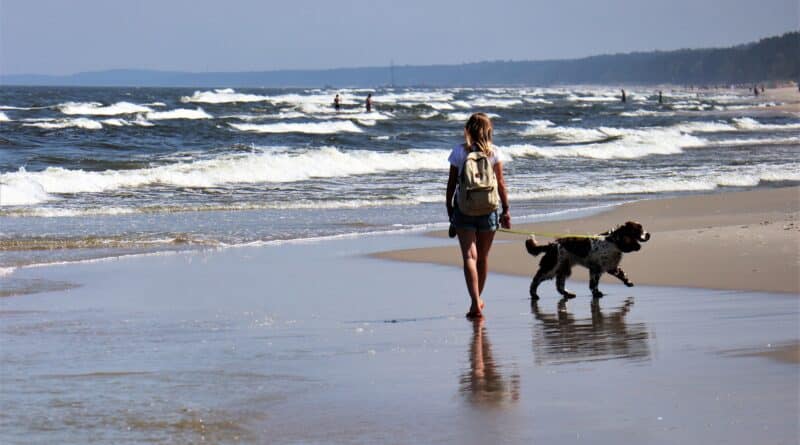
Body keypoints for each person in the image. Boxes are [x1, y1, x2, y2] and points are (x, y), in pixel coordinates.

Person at [446, 113, 510, 319]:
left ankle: (475, 301)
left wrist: (450, 210)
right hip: (489, 208)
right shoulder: (494, 152)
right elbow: (500, 183)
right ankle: (477, 299)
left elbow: (451, 184)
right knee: (482, 257)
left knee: (469, 256)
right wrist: (506, 210)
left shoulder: (459, 152)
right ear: (488, 130)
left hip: (464, 208)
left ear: (469, 130)